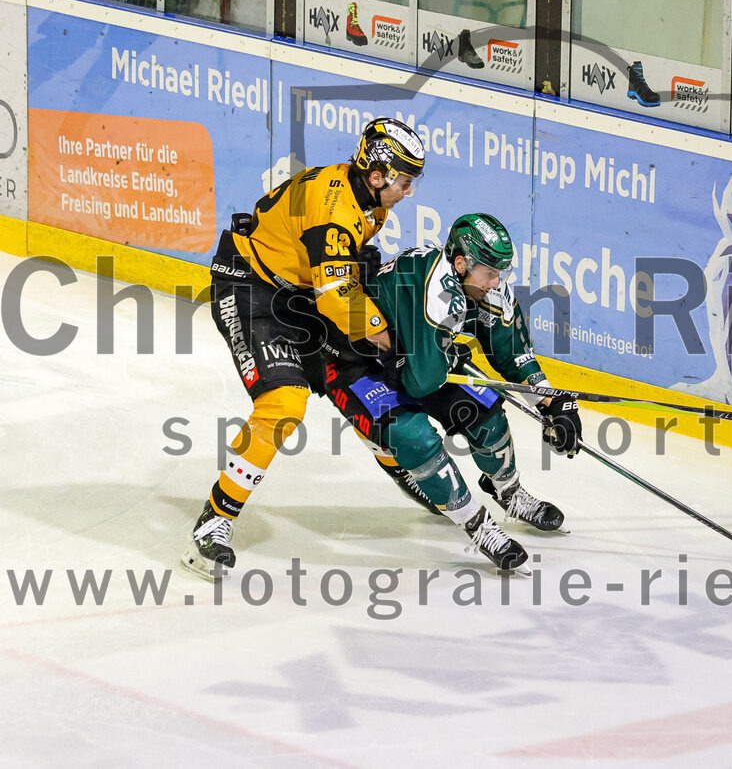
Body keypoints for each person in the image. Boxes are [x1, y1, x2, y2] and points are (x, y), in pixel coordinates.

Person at [181, 117, 426, 580]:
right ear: (377, 176)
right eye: (404, 180)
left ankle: (406, 469)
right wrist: (389, 336)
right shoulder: (334, 208)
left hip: (300, 294)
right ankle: (214, 521)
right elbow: (336, 296)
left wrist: (381, 330)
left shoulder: (371, 205)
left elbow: (338, 278)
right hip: (251, 290)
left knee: (364, 380)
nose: (408, 191)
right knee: (284, 404)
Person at [321, 213, 583, 572]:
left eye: (500, 273)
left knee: (488, 414)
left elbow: (513, 353)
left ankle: (509, 493)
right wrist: (444, 355)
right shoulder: (439, 295)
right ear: (461, 263)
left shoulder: (482, 287)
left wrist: (552, 403)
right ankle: (478, 525)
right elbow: (421, 384)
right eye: (490, 273)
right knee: (414, 437)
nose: (496, 282)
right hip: (358, 361)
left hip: (415, 355)